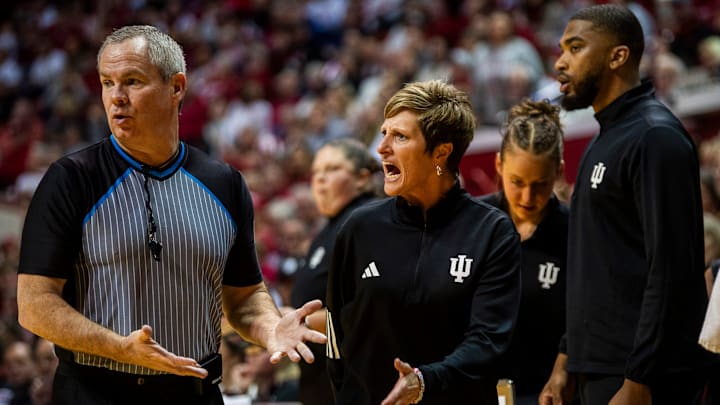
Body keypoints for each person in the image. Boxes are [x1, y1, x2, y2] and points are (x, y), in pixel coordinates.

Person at [15, 25, 325, 405]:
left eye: (132, 81)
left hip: (195, 393)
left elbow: (243, 298)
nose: (117, 97)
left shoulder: (224, 182)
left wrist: (272, 328)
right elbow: (34, 306)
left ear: (176, 87)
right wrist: (119, 348)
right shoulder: (71, 179)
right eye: (107, 82)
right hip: (95, 392)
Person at [540, 5, 714, 405]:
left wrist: (641, 377)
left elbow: (671, 269)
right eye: (561, 49)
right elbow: (594, 266)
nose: (560, 63)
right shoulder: (605, 139)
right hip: (599, 367)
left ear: (618, 56)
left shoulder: (655, 137)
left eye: (575, 48)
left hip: (639, 376)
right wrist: (568, 356)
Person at [325, 79, 523, 404]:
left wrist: (425, 381)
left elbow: (488, 341)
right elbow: (337, 341)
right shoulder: (359, 229)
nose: (381, 147)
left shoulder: (491, 232)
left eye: (400, 136)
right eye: (384, 132)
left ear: (441, 153)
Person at [480, 98, 568, 404]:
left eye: (541, 184)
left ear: (559, 171)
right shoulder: (473, 223)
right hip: (479, 391)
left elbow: (586, 316)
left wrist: (561, 372)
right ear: (499, 165)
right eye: (516, 182)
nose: (528, 196)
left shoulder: (575, 231)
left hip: (545, 394)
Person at [290, 137, 381, 405]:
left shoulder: (365, 222)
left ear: (362, 178)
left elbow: (367, 314)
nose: (320, 179)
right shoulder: (331, 228)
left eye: (331, 169)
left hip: (358, 385)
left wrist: (296, 322)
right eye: (316, 172)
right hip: (322, 384)